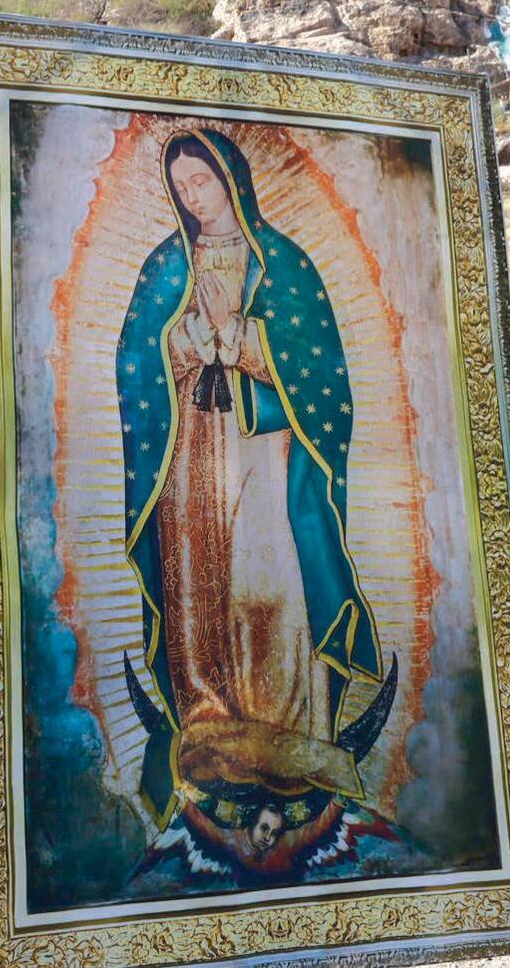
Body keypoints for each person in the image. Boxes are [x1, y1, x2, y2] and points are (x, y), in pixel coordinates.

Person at [117, 128, 383, 828]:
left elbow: (324, 374)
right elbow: (136, 361)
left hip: (265, 450)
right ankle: (209, 731)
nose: (192, 196)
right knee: (196, 587)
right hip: (190, 452)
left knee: (267, 585)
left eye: (200, 180)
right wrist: (183, 341)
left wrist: (246, 342)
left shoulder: (284, 265)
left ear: (229, 177)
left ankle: (289, 734)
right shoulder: (167, 265)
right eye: (181, 187)